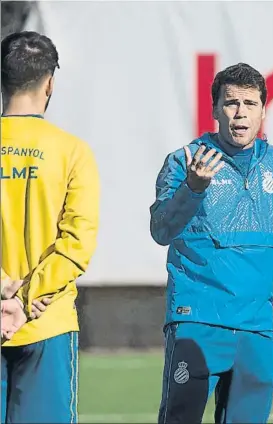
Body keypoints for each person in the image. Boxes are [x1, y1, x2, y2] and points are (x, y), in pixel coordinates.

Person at [150, 62, 273, 423]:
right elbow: (161, 230)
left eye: (250, 103)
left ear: (263, 109)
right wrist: (192, 189)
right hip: (197, 321)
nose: (240, 112)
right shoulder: (184, 161)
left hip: (256, 327)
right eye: (231, 103)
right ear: (215, 110)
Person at [1, 31, 100, 424]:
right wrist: (26, 300)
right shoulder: (71, 150)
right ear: (50, 82)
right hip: (46, 320)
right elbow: (76, 242)